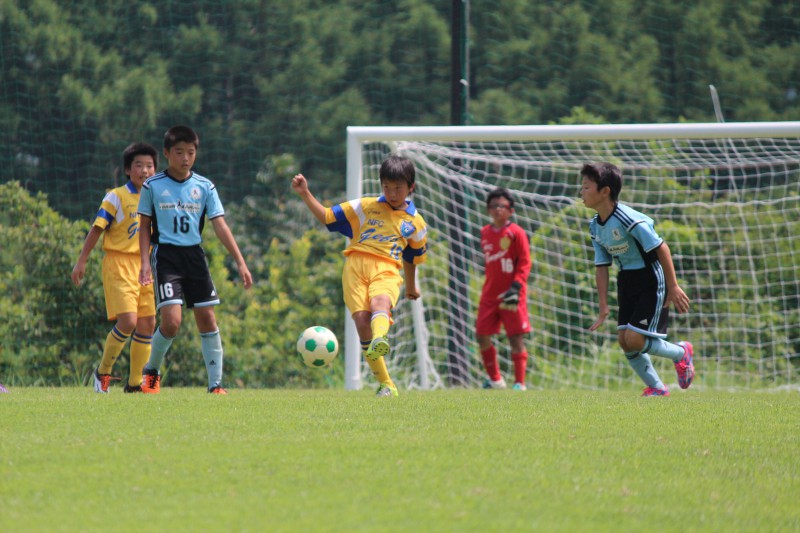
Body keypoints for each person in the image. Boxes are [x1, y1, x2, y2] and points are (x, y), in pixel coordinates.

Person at [291, 155, 427, 398]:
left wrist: (411, 286)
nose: (392, 193)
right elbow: (327, 217)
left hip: (386, 268)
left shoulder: (416, 223)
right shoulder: (365, 206)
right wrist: (305, 193)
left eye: (398, 188)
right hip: (354, 267)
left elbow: (412, 257)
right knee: (363, 321)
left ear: (411, 187)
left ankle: (379, 339)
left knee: (380, 303)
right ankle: (386, 384)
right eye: (386, 186)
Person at [137, 125, 252, 394]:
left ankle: (215, 385)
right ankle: (151, 371)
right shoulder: (153, 186)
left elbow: (220, 225)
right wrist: (144, 263)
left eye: (190, 152)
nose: (185, 158)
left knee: (208, 319)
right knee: (171, 322)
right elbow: (144, 227)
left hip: (195, 257)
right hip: (166, 257)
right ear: (167, 153)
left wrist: (240, 261)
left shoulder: (204, 186)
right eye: (179, 152)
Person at [580, 162, 695, 396]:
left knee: (634, 338)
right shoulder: (595, 226)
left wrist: (673, 286)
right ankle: (657, 388)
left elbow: (662, 248)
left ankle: (681, 353)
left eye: (586, 187)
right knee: (624, 340)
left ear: (605, 191)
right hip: (626, 280)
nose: (581, 192)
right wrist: (603, 306)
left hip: (650, 278)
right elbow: (601, 266)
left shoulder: (627, 218)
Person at [71, 142, 159, 393]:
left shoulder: (156, 198)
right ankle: (103, 373)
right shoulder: (116, 196)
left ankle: (135, 384)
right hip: (119, 263)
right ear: (128, 170)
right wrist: (82, 260)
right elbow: (97, 228)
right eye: (139, 165)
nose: (145, 171)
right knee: (128, 321)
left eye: (149, 166)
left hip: (144, 266)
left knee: (147, 323)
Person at [476, 188, 532, 391]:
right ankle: (496, 381)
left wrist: (516, 285)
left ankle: (519, 384)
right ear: (488, 210)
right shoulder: (484, 233)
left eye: (502, 206)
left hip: (512, 293)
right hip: (490, 295)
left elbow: (525, 262)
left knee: (515, 337)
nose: (497, 209)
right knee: (481, 334)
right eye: (493, 206)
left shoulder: (517, 232)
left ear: (511, 210)